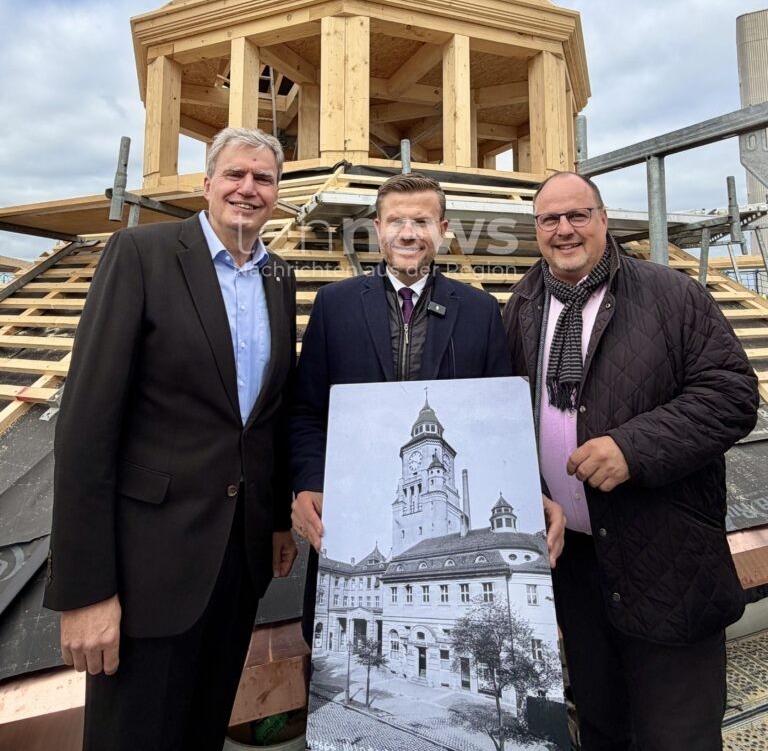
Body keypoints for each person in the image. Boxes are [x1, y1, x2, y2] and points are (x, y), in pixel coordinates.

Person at [44, 126, 298, 751]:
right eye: (235, 175)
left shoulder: (279, 278)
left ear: (277, 193)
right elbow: (86, 426)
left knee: (199, 731)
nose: (247, 189)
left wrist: (275, 523)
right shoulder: (141, 254)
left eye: (263, 179)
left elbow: (265, 419)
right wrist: (85, 591)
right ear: (206, 184)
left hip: (236, 568)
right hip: (146, 571)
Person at [502, 170, 758, 751]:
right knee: (601, 723)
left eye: (578, 216)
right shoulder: (522, 305)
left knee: (678, 734)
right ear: (536, 229)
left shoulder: (671, 294)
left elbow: (732, 395)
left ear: (603, 219)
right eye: (549, 219)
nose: (564, 230)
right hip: (577, 563)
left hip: (664, 555)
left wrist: (633, 448)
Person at [290, 172, 565, 606]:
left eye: (421, 222)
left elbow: (506, 418)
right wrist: (306, 482)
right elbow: (306, 411)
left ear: (443, 231)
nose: (408, 233)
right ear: (377, 229)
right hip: (348, 504)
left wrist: (535, 492)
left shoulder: (479, 311)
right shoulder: (333, 306)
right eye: (396, 221)